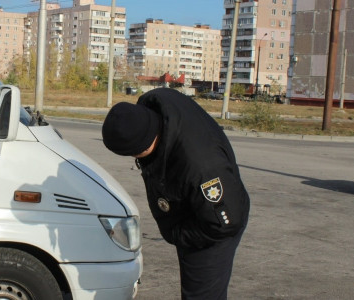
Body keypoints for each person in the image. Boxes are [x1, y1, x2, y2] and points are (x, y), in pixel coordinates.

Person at [101, 88, 250, 300]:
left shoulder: (202, 168)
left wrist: (179, 234)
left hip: (215, 225)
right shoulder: (155, 105)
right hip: (191, 207)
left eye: (133, 153)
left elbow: (225, 224)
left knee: (201, 294)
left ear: (143, 145)